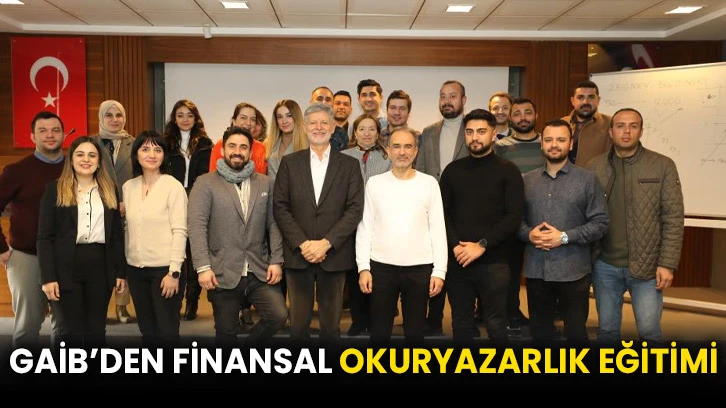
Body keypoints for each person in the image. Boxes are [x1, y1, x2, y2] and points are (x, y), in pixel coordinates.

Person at [587, 108, 684, 345]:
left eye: (633, 126)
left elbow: (673, 217)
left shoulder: (662, 165)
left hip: (647, 267)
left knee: (650, 333)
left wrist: (667, 263)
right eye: (620, 126)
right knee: (607, 332)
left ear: (641, 131)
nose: (626, 131)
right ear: (611, 132)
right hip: (604, 265)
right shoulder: (593, 167)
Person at [273, 103, 364, 346]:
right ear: (304, 127)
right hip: (298, 255)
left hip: (334, 255)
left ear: (333, 127)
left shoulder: (349, 165)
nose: (319, 127)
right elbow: (280, 207)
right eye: (313, 123)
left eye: (324, 122)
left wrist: (326, 243)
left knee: (331, 329)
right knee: (298, 327)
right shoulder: (289, 163)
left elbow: (355, 209)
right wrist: (303, 244)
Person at [189, 126, 287, 347]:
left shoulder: (266, 183)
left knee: (278, 316)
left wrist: (276, 260)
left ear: (250, 152)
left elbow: (274, 224)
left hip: (258, 270)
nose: (237, 151)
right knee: (226, 332)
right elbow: (196, 227)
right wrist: (203, 267)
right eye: (232, 146)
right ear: (223, 150)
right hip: (222, 271)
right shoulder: (205, 183)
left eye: (243, 147)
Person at [519, 119, 608, 344]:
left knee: (576, 335)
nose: (554, 145)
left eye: (561, 140)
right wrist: (528, 234)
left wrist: (565, 237)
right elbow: (516, 222)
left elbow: (600, 223)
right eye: (549, 140)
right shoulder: (526, 181)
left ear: (570, 144)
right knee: (540, 335)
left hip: (574, 270)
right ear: (541, 144)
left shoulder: (587, 180)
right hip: (536, 270)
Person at [439, 109, 524, 343]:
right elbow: (441, 214)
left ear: (493, 134)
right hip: (458, 260)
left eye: (481, 131)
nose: (475, 137)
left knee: (496, 325)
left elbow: (514, 216)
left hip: (494, 261)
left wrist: (482, 245)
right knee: (461, 324)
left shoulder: (508, 170)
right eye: (469, 132)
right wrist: (455, 246)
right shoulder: (452, 171)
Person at [356, 127, 446, 346]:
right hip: (381, 267)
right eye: (396, 146)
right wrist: (363, 267)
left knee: (415, 334)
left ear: (416, 151)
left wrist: (440, 271)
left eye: (408, 146)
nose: (402, 152)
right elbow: (365, 227)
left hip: (420, 268)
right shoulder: (374, 184)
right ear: (388, 150)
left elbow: (438, 228)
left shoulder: (429, 184)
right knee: (379, 334)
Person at [37, 136, 126, 348]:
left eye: (92, 155)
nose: (86, 159)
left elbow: (116, 235)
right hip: (65, 268)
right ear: (71, 159)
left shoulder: (109, 190)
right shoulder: (54, 190)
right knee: (69, 332)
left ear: (99, 161)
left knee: (96, 331)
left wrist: (120, 272)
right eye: (80, 154)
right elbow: (44, 238)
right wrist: (48, 277)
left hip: (100, 267)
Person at [1, 111, 66, 349]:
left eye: (55, 130)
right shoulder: (17, 171)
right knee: (28, 325)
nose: (50, 135)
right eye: (43, 131)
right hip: (27, 257)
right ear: (32, 137)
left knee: (65, 325)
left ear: (63, 135)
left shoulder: (75, 168)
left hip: (66, 258)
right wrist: (1, 247)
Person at [123, 130, 188, 348]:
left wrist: (174, 272)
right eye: (145, 149)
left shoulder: (173, 186)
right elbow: (127, 229)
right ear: (136, 154)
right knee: (147, 330)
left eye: (157, 150)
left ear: (164, 155)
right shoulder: (128, 187)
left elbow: (180, 231)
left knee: (167, 331)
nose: (152, 155)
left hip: (165, 271)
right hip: (136, 270)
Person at [416, 80, 469, 336]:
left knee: (459, 266)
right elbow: (421, 168)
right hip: (431, 206)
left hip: (462, 208)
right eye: (443, 96)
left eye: (452, 96)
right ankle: (433, 319)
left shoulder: (472, 129)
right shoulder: (428, 132)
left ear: (463, 100)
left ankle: (466, 320)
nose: (447, 101)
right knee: (433, 263)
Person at [494, 97, 545, 334]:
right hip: (512, 217)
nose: (523, 117)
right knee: (511, 271)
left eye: (528, 112)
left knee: (539, 271)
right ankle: (512, 314)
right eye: (517, 113)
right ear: (510, 118)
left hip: (543, 216)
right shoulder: (500, 147)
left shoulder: (547, 143)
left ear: (536, 116)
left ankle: (541, 317)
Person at [342, 114, 391, 336]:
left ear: (378, 133)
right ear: (355, 132)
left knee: (377, 273)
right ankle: (357, 320)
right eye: (362, 129)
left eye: (372, 129)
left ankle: (374, 319)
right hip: (351, 225)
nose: (367, 133)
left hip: (379, 224)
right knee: (354, 275)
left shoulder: (387, 157)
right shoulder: (343, 157)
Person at [164, 99, 212, 321]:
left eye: (189, 115)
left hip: (196, 199)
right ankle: (171, 299)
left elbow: (206, 174)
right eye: (180, 115)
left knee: (193, 254)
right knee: (173, 251)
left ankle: (192, 301)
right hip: (170, 200)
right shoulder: (165, 143)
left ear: (196, 118)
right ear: (174, 118)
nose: (185, 119)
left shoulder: (205, 143)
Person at [93, 99, 135, 324]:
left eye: (118, 115)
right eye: (109, 115)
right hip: (97, 211)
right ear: (101, 118)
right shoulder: (90, 144)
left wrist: (130, 203)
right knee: (101, 260)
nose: (114, 120)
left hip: (128, 211)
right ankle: (99, 307)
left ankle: (122, 306)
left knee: (123, 258)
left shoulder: (134, 144)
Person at [562, 80, 612, 166]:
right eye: (580, 97)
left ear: (598, 100)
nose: (585, 102)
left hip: (596, 175)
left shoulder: (610, 123)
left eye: (591, 97)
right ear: (573, 101)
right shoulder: (562, 123)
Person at [209, 102, 268, 174]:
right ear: (234, 121)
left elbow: (261, 177)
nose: (248, 123)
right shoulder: (220, 145)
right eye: (243, 118)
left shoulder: (260, 148)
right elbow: (213, 177)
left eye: (252, 119)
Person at [264, 99, 308, 180]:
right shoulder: (268, 143)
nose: (284, 121)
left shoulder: (308, 143)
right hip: (272, 188)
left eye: (289, 116)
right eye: (280, 117)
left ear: (296, 117)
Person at [311, 86, 348, 152]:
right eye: (319, 99)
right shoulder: (300, 128)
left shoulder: (341, 134)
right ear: (311, 102)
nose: (324, 102)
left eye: (328, 100)